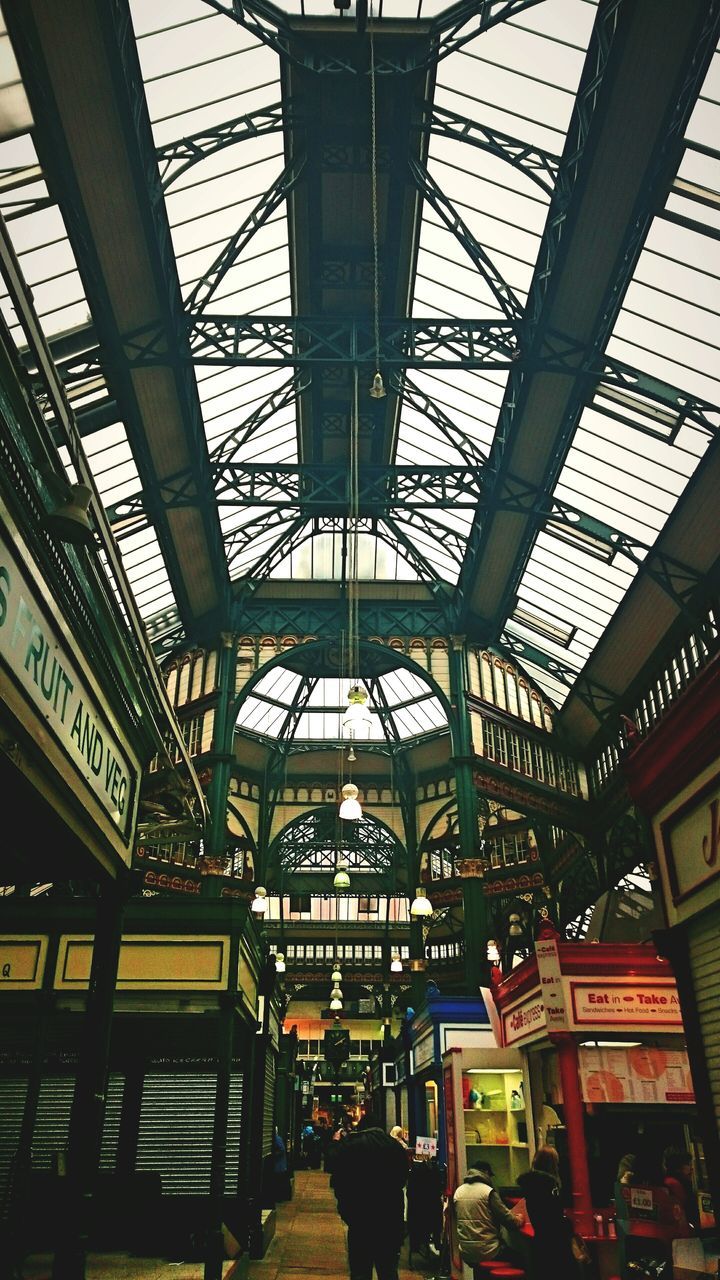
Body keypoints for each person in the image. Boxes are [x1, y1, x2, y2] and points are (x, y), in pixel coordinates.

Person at [330, 1114, 409, 1280]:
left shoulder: (351, 1145)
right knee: (388, 1270)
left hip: (360, 1219)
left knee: (360, 1271)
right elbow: (402, 1179)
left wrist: (346, 1211)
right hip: (389, 1218)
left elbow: (338, 1178)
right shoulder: (394, 1146)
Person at [516, 1145, 580, 1280]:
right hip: (555, 1244)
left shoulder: (531, 1184)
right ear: (552, 1164)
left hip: (540, 1242)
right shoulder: (549, 1187)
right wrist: (569, 1226)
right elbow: (554, 1218)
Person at [453, 1160, 524, 1268]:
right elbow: (509, 1221)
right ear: (485, 1172)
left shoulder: (459, 1192)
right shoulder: (488, 1192)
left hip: (466, 1251)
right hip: (488, 1251)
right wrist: (520, 1218)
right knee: (520, 1258)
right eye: (490, 1175)